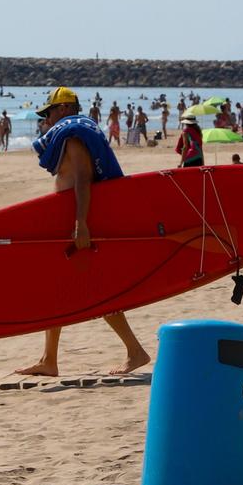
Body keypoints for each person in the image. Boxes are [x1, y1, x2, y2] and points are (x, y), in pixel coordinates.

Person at [16, 88, 150, 378]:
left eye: (49, 113)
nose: (47, 120)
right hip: (71, 224)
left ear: (63, 109)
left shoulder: (74, 138)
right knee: (57, 289)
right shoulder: (70, 136)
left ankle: (135, 351)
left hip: (80, 225)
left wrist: (81, 223)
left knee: (96, 290)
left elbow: (83, 181)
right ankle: (48, 360)